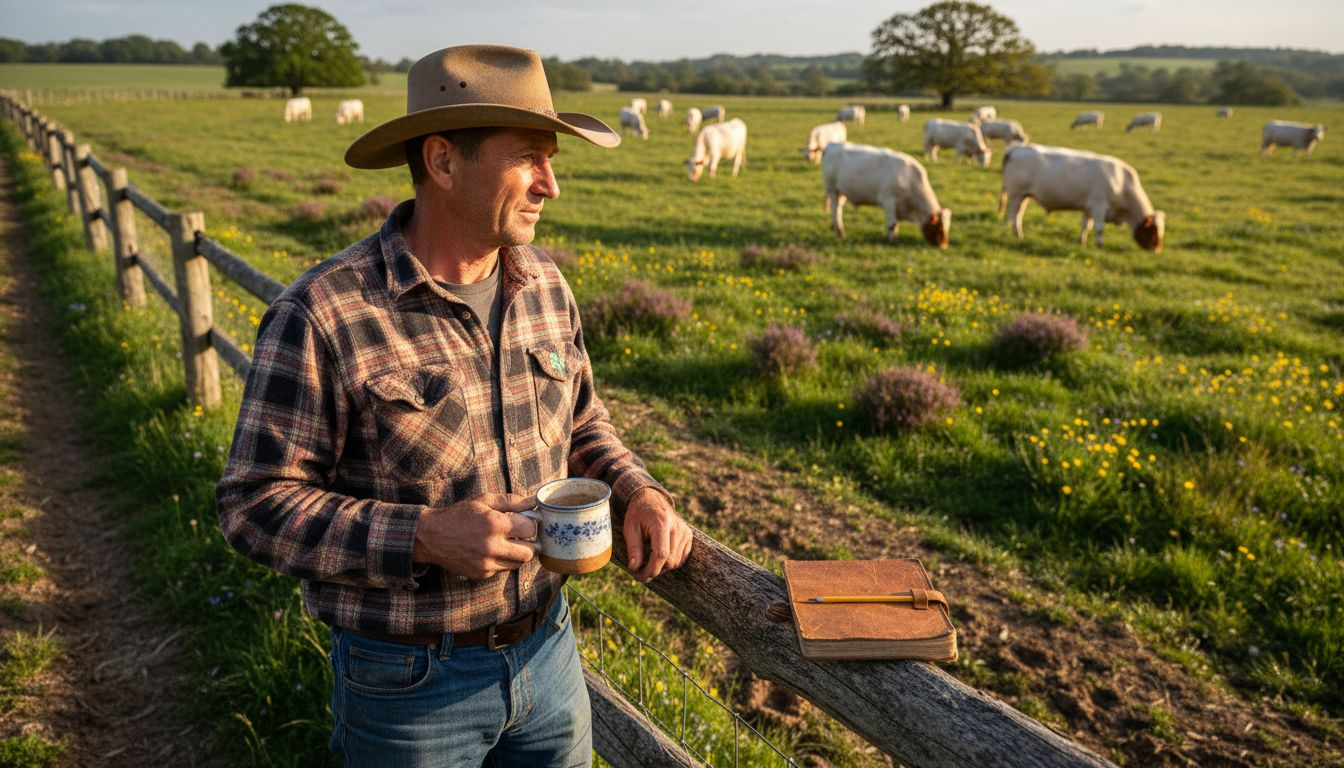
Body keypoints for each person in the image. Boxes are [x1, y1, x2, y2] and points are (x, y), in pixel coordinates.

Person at [217, 44, 694, 767]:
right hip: (407, 686)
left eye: (552, 160)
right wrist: (424, 537)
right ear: (442, 162)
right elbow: (254, 505)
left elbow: (584, 423)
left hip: (550, 652)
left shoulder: (543, 287)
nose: (551, 185)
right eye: (531, 157)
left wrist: (637, 489)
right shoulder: (324, 314)